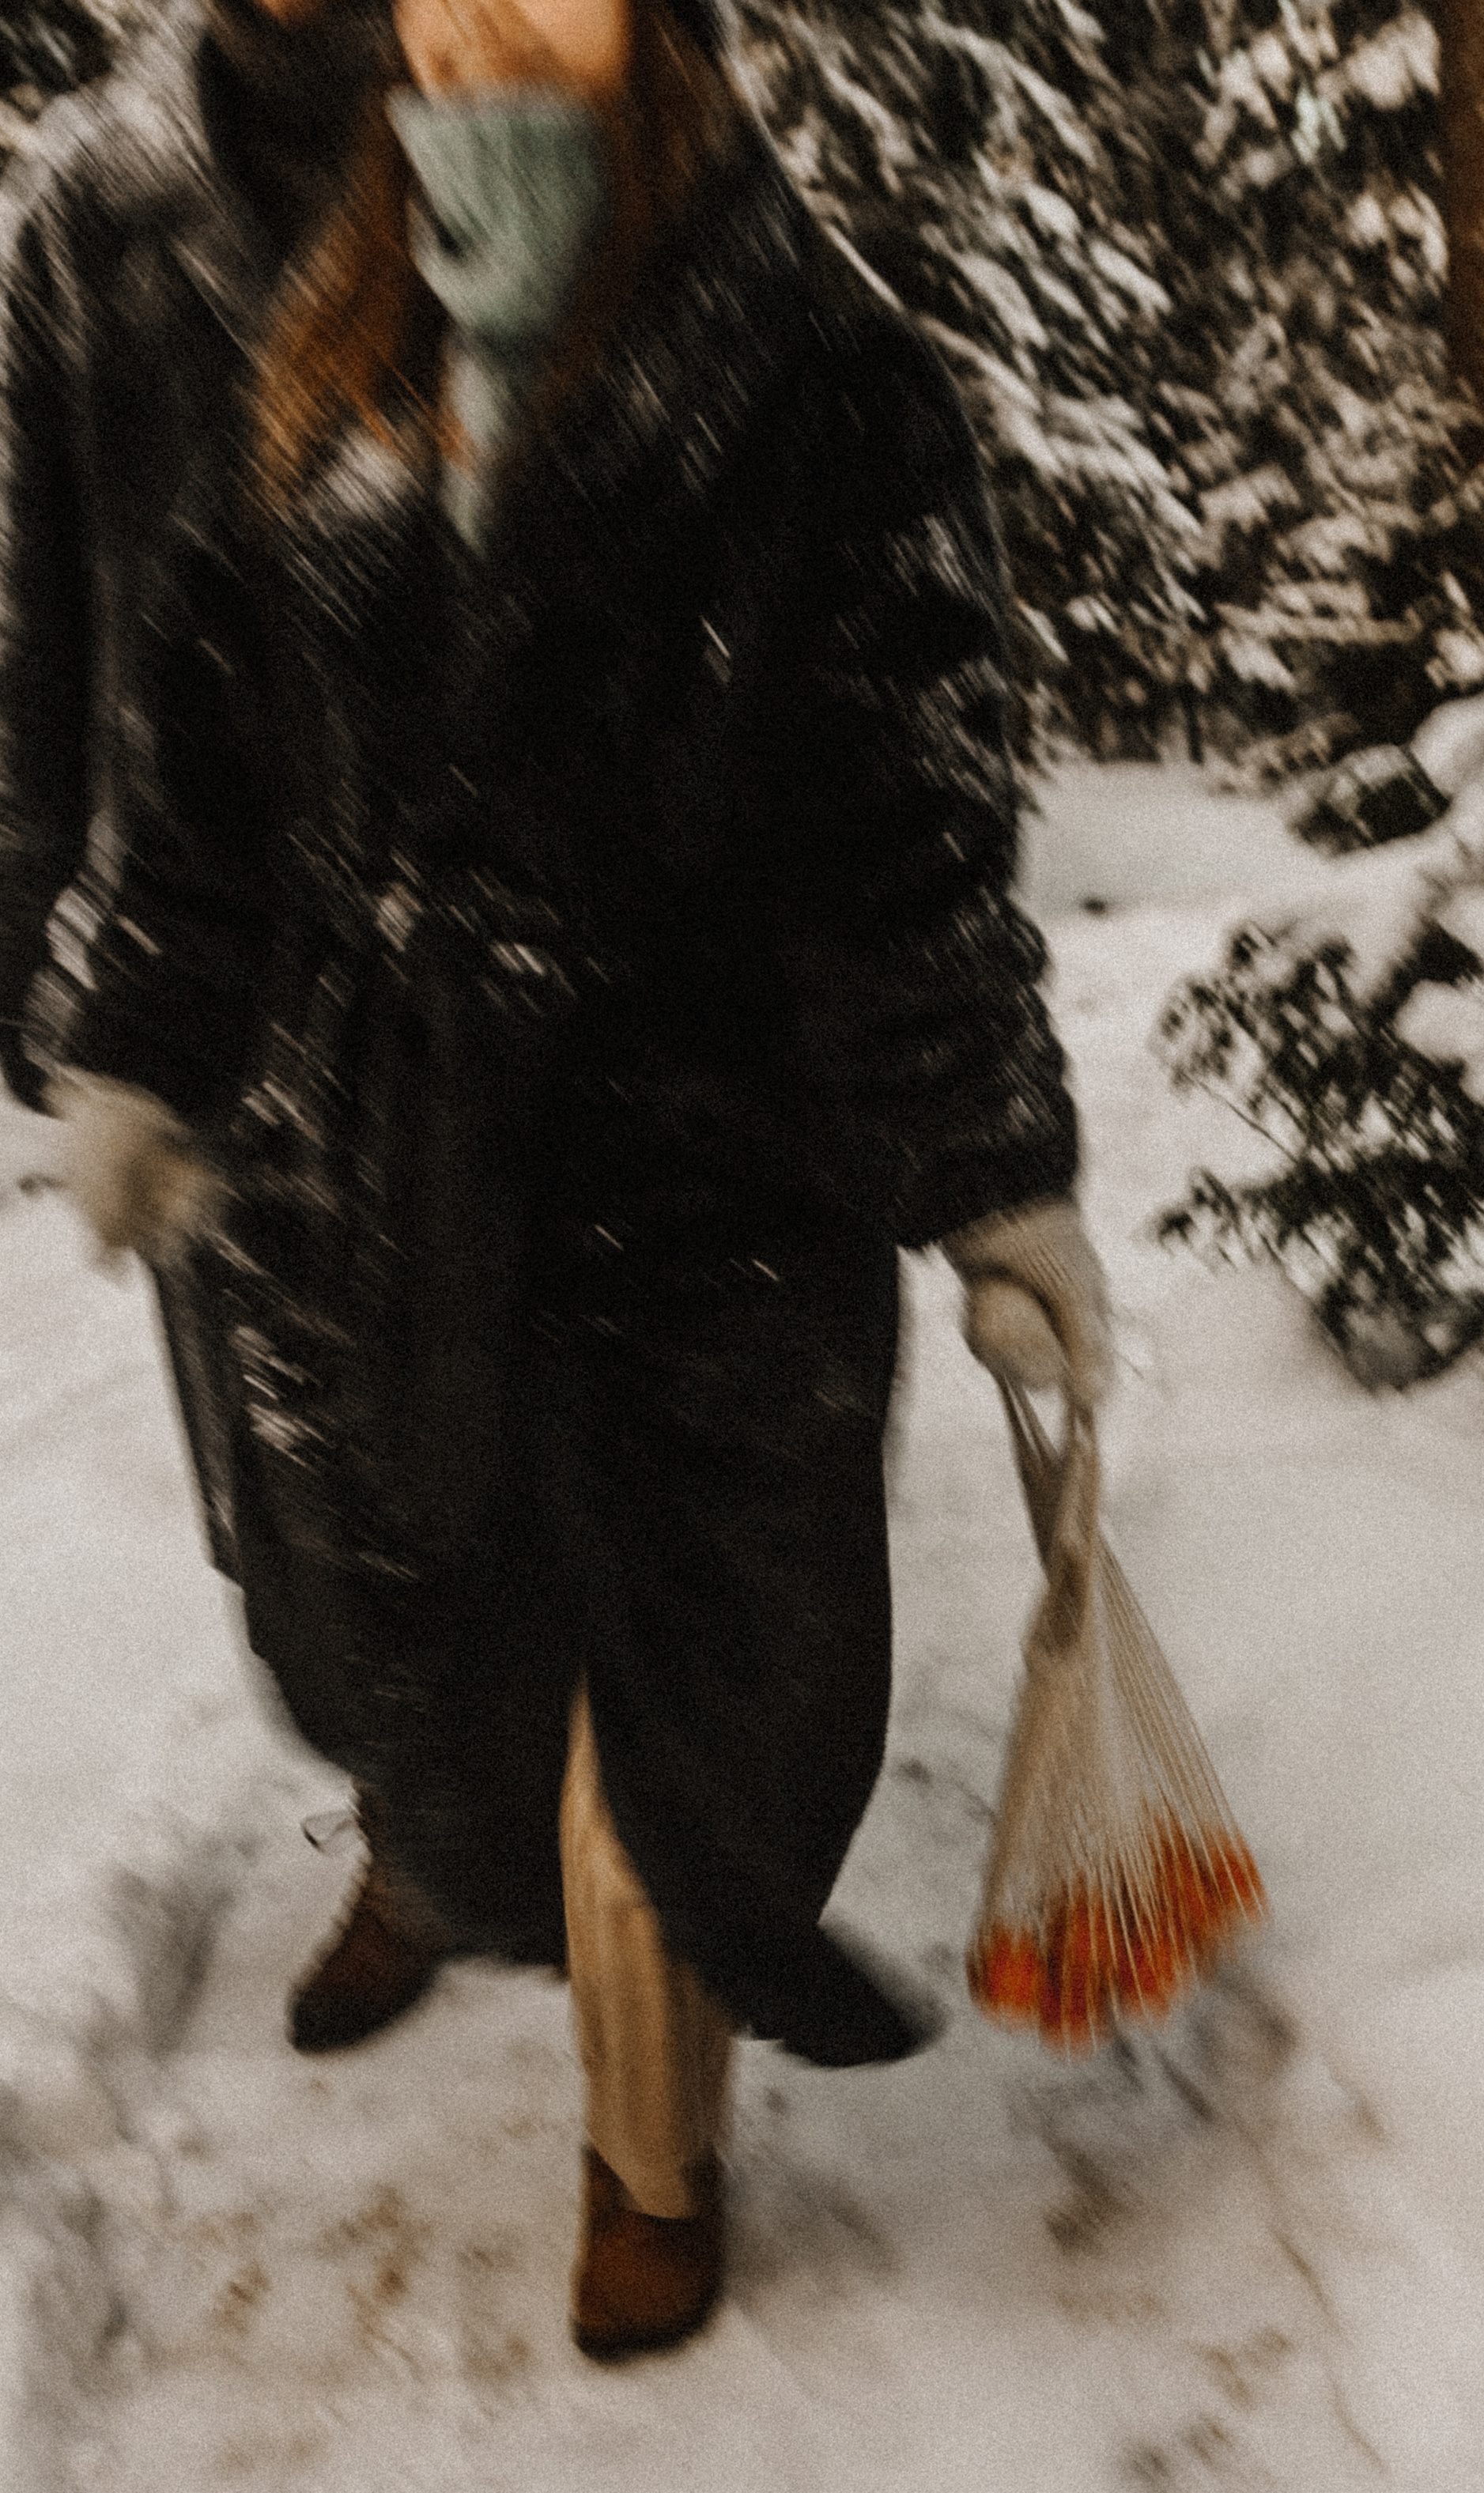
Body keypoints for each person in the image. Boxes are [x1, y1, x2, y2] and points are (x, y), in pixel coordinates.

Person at [20, 0, 1113, 2359]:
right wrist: (146, 1050)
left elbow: (904, 847)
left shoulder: (826, 378)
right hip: (397, 1189)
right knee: (444, 1667)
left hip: (706, 1200)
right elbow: (212, 759)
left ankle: (654, 2146)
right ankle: (448, 1877)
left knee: (680, 1746)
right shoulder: (327, 322)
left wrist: (991, 1183)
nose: (495, 21)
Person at [0, 0, 455, 2047]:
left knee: (519, 1390)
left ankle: (597, 1826)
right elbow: (31, 611)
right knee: (284, 1485)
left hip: (479, 941)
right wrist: (41, 951)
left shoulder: (518, 119)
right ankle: (413, 1819)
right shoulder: (89, 210)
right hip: (209, 965)